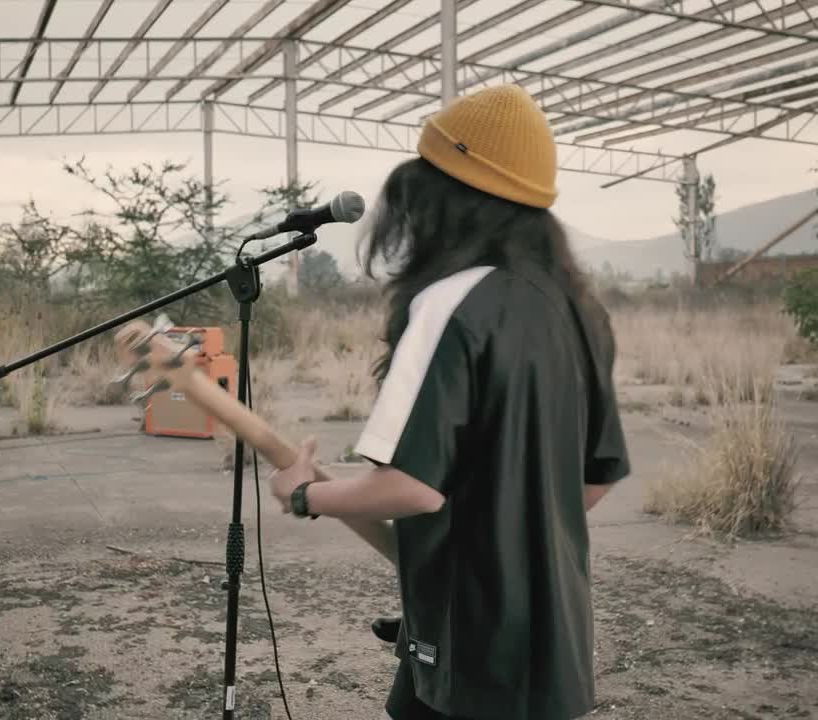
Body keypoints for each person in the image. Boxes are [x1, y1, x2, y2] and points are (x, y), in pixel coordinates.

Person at [267, 84, 630, 720]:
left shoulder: (447, 304)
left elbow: (412, 487)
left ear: (445, 199)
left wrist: (305, 493)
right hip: (553, 636)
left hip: (472, 638)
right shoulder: (582, 311)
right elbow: (593, 482)